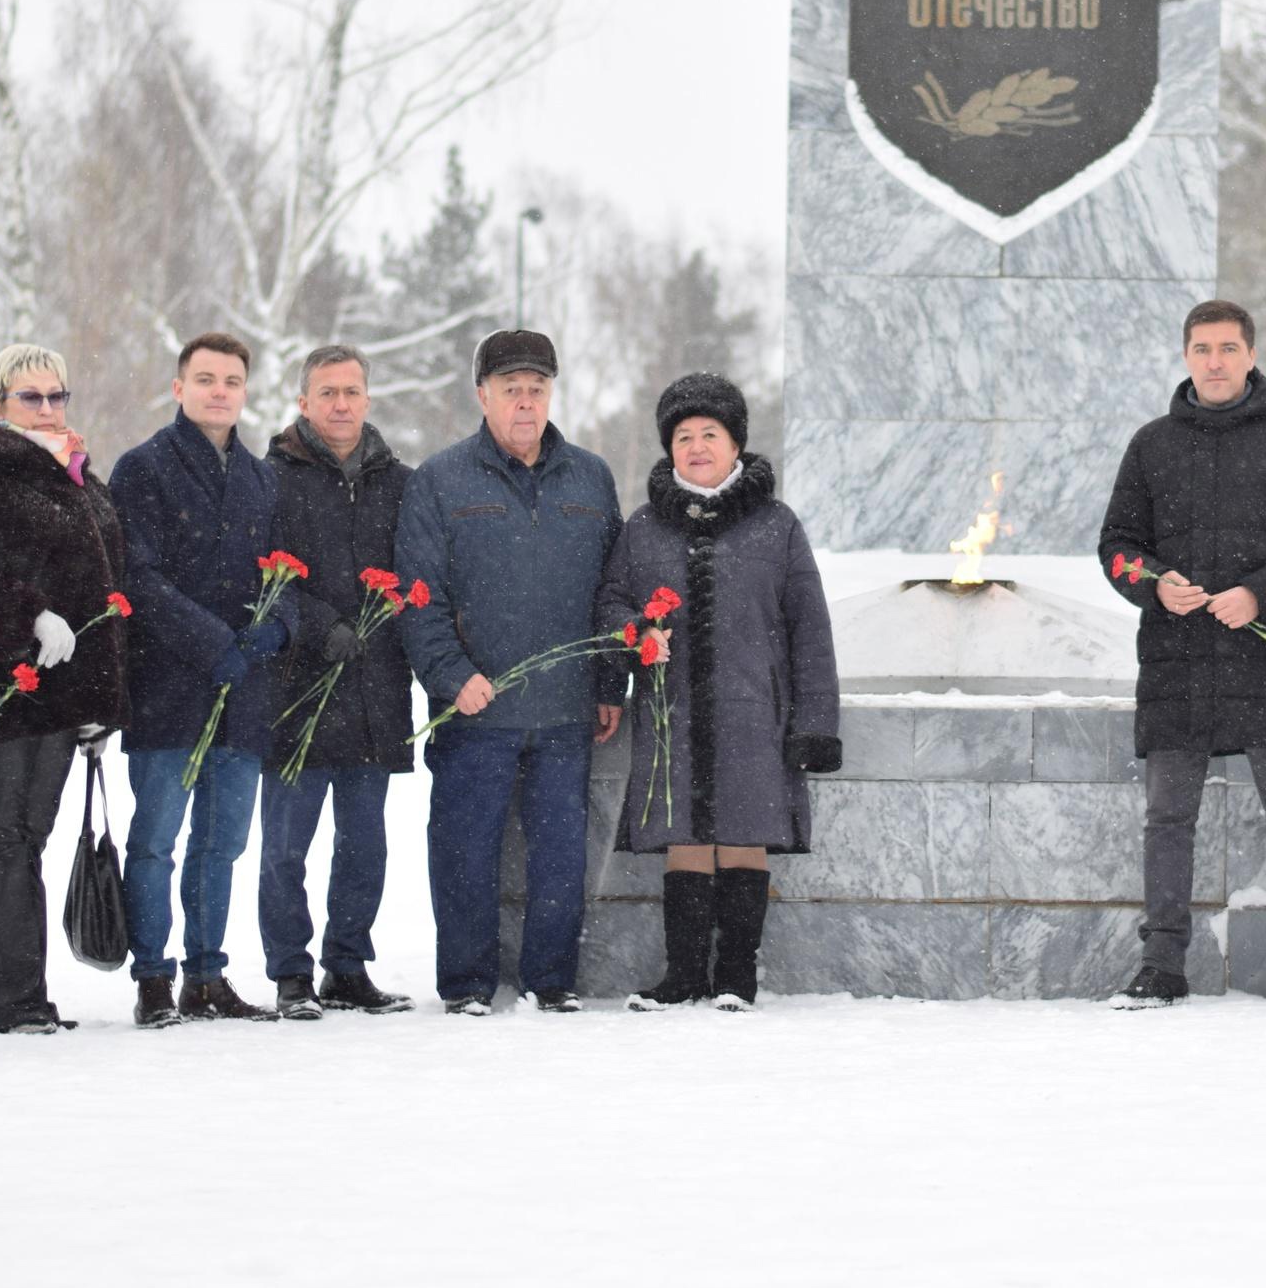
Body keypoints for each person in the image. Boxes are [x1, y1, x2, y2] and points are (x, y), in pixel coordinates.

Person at [1097, 299, 1266, 1009]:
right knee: (1168, 822)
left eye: (1228, 348)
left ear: (1250, 355)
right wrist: (1154, 584)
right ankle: (1163, 966)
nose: (1215, 361)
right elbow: (1116, 544)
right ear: (1185, 356)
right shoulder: (1151, 445)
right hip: (1179, 662)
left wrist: (1259, 594)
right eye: (1202, 348)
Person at [396, 329, 622, 1014]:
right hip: (474, 708)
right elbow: (418, 592)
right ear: (482, 395)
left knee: (560, 856)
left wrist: (610, 681)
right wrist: (449, 673)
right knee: (465, 851)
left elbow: (613, 588)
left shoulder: (591, 476)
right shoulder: (440, 479)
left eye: (537, 388)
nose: (525, 403)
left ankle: (551, 981)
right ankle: (466, 982)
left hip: (566, 710)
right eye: (511, 389)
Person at [600, 374, 841, 1012]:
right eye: (684, 436)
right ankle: (684, 975)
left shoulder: (777, 526)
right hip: (670, 709)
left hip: (753, 711)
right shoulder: (643, 528)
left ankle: (736, 973)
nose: (697, 446)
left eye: (711, 434)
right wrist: (635, 631)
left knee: (743, 833)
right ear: (668, 448)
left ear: (736, 444)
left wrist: (816, 723)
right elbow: (612, 603)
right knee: (683, 837)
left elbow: (810, 628)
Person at [0, 342, 128, 1033]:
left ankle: (27, 993)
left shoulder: (76, 470)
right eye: (32, 396)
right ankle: (4, 1000)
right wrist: (29, 613)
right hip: (2, 682)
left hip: (62, 691)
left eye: (57, 394)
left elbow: (105, 582)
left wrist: (98, 701)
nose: (48, 407)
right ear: (0, 404)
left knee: (29, 838)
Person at [109, 332, 284, 1026]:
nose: (220, 390)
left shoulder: (263, 476)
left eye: (232, 380)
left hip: (244, 692)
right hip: (168, 688)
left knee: (223, 842)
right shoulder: (143, 469)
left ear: (245, 391)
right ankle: (152, 976)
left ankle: (205, 974)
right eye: (206, 378)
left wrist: (280, 625)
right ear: (179, 388)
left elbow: (288, 567)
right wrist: (213, 641)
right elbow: (138, 579)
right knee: (156, 840)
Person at [257, 345, 415, 1019]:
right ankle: (291, 971)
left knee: (364, 842)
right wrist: (319, 625)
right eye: (328, 392)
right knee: (286, 844)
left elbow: (416, 568)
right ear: (303, 401)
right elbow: (264, 571)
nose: (341, 404)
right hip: (298, 685)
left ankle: (347, 965)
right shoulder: (274, 477)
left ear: (368, 400)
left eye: (352, 391)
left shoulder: (400, 481)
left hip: (375, 686)